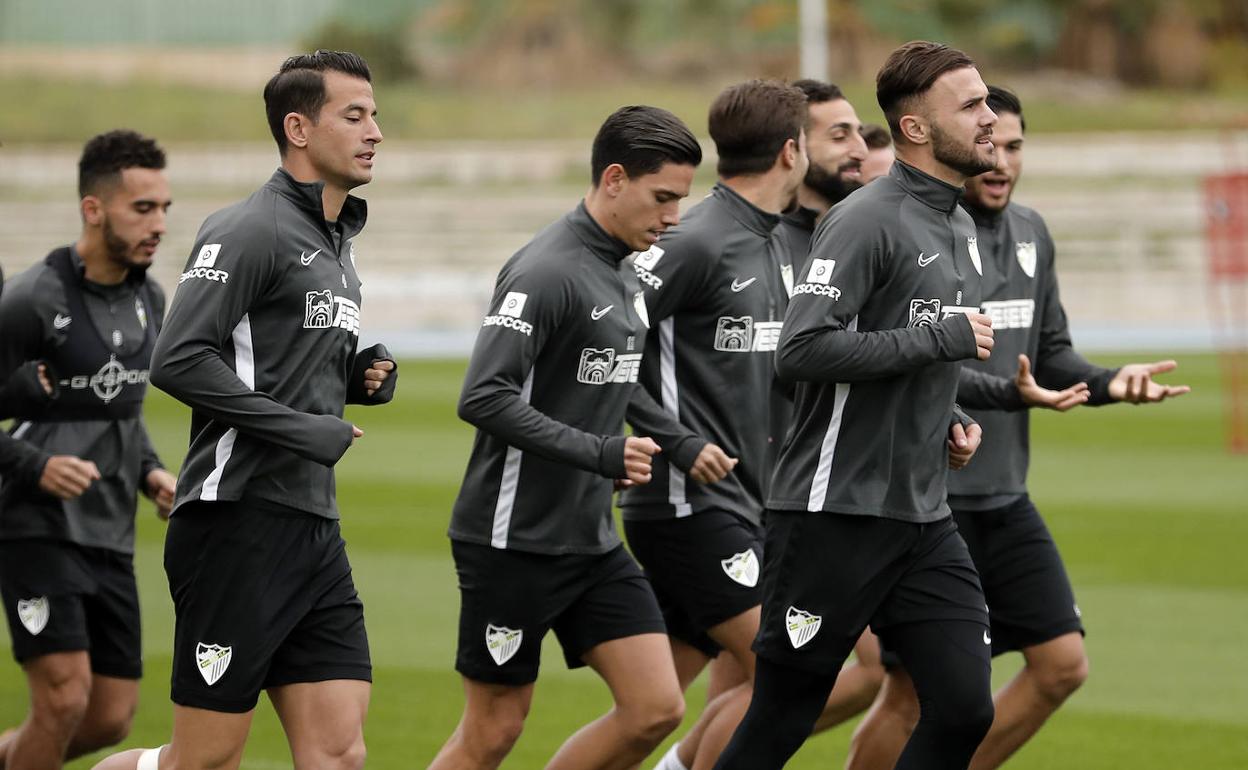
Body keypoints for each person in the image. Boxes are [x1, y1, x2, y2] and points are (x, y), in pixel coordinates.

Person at [846, 85, 1191, 770]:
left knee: (1061, 664)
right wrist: (1007, 393)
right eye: (989, 145)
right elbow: (900, 356)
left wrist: (1107, 383)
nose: (1001, 161)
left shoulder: (1031, 232)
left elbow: (1052, 352)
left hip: (1004, 495)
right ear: (958, 144)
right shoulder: (925, 236)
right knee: (912, 692)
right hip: (924, 503)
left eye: (1015, 147)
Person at [93, 50, 396, 770]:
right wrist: (305, 429)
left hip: (312, 527)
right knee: (202, 760)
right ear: (298, 128)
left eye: (375, 115)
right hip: (236, 523)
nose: (375, 131)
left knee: (339, 752)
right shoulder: (249, 228)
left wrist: (352, 378)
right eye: (354, 115)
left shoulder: (337, 242)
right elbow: (179, 357)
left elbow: (269, 359)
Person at [713, 40, 1000, 770]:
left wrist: (952, 421)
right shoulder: (866, 219)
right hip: (832, 513)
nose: (989, 118)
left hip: (921, 515)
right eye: (969, 106)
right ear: (914, 129)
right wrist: (938, 339)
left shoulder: (961, 225)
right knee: (783, 713)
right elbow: (802, 351)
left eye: (985, 100)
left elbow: (913, 361)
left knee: (965, 708)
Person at [431, 105, 703, 770]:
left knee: (656, 708)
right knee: (493, 730)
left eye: (681, 201)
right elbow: (483, 396)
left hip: (590, 538)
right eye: (662, 198)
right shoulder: (544, 271)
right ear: (614, 179)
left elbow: (610, 383)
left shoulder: (628, 269)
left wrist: (675, 440)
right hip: (512, 539)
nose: (673, 218)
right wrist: (599, 452)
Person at [0, 129, 176, 769]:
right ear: (93, 209)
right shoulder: (29, 300)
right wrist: (35, 465)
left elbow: (117, 411)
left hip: (108, 530)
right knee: (63, 701)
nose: (158, 224)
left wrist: (151, 472)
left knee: (109, 716)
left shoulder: (149, 299)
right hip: (34, 524)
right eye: (142, 208)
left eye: (164, 209)